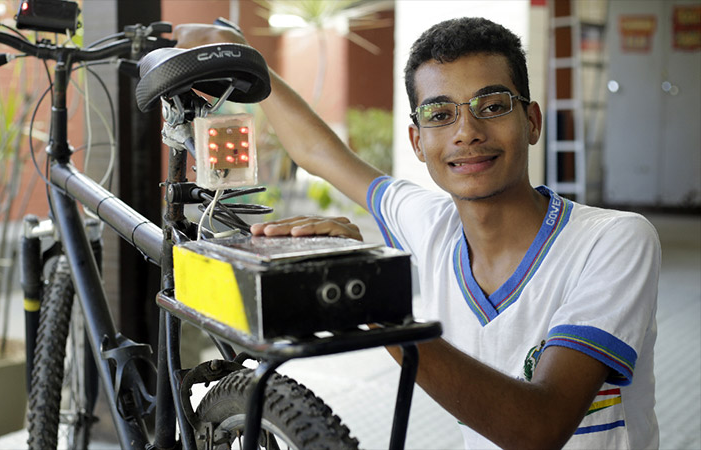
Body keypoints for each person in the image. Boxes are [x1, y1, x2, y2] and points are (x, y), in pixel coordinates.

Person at [174, 17, 660, 449]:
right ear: (417, 141)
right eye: (439, 114)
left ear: (530, 121)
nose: (466, 131)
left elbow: (538, 430)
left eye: (491, 106)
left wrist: (368, 295)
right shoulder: (430, 223)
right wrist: (241, 52)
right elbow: (320, 153)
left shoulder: (614, 241)